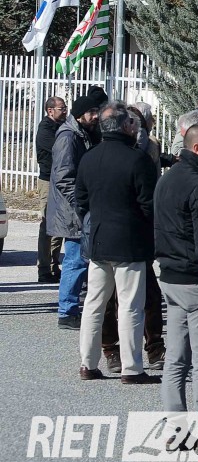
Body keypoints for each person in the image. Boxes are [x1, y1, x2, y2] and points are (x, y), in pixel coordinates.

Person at [76, 102, 162, 384]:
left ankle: (87, 364)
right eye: (132, 123)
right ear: (125, 126)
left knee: (94, 303)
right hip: (130, 242)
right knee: (130, 305)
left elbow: (81, 201)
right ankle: (132, 368)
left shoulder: (89, 158)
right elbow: (149, 204)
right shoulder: (137, 160)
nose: (135, 127)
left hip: (99, 240)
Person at [153, 123, 198, 409]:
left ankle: (176, 425)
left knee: (175, 358)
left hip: (170, 275)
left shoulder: (168, 177)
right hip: (194, 280)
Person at [52, 85, 106, 329]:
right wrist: (81, 203)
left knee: (80, 260)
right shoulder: (68, 136)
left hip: (77, 208)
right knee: (74, 261)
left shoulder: (84, 133)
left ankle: (71, 307)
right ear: (80, 114)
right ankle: (67, 311)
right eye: (91, 112)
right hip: (71, 211)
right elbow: (63, 177)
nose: (96, 116)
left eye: (97, 111)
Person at [36, 96, 67, 283]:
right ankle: (44, 268)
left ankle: (55, 265)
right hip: (48, 181)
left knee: (59, 226)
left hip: (61, 180)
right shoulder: (45, 129)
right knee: (47, 225)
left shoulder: (63, 126)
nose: (65, 111)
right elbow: (60, 150)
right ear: (50, 111)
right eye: (61, 108)